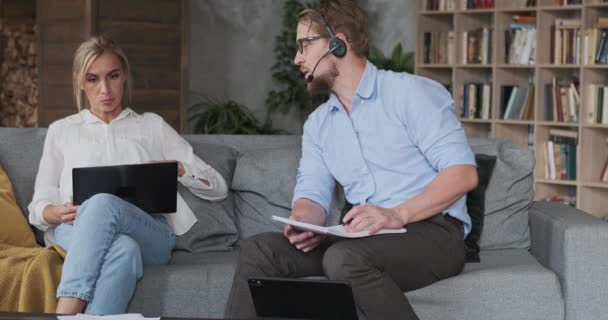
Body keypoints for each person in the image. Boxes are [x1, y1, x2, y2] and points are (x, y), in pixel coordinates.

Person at [224, 0, 478, 319]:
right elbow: (312, 194)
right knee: (258, 250)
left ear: (338, 44)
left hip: (433, 233)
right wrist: (304, 223)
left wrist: (396, 214)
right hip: (362, 239)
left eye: (305, 45)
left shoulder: (409, 94)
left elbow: (462, 174)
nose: (296, 58)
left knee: (344, 259)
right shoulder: (319, 124)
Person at [27, 35, 228, 315]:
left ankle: (66, 311)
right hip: (76, 230)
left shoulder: (151, 126)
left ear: (125, 76)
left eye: (113, 76)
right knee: (124, 249)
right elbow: (38, 206)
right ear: (80, 82)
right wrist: (55, 212)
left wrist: (183, 171)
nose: (105, 89)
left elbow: (218, 187)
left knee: (102, 203)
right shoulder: (62, 131)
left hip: (152, 234)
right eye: (93, 79)